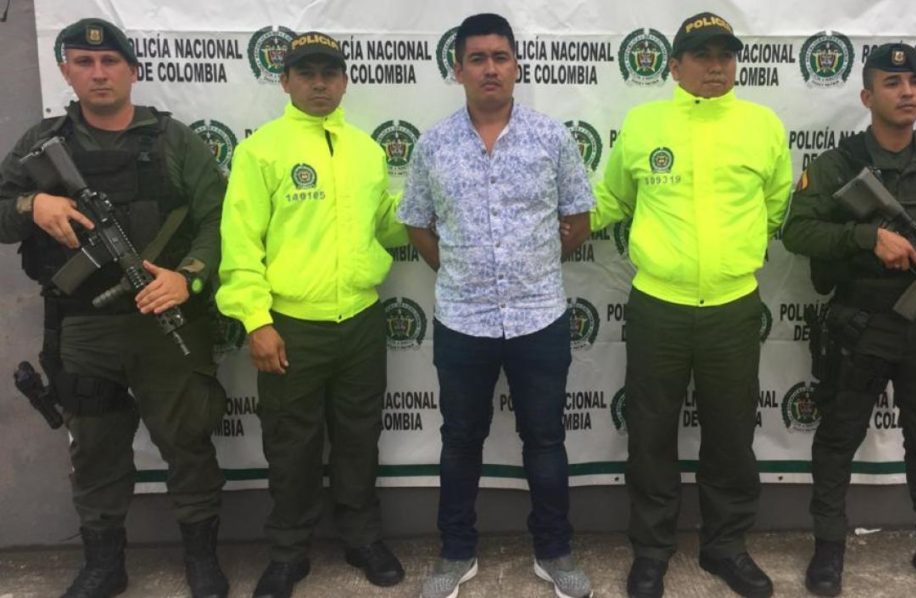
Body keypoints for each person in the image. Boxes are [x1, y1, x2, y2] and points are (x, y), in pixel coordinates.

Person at [0, 17, 229, 598]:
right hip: (82, 329)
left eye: (110, 62)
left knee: (188, 445)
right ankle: (104, 565)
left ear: (132, 70)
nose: (98, 73)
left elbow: (220, 219)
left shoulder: (173, 140)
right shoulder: (41, 142)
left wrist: (188, 277)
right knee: (96, 451)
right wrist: (33, 205)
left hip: (165, 325)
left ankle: (202, 559)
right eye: (84, 62)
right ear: (66, 72)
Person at [781, 43, 916, 597]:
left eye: (915, 83)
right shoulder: (840, 164)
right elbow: (797, 231)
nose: (907, 93)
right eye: (892, 83)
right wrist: (867, 237)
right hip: (863, 322)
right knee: (838, 439)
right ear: (867, 96)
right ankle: (829, 546)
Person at [591, 12, 792, 598]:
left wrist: (735, 254)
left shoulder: (762, 126)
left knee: (731, 432)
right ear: (674, 66)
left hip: (732, 306)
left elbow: (776, 206)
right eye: (701, 55)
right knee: (651, 432)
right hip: (659, 305)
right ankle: (652, 551)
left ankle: (725, 546)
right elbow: (611, 199)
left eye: (725, 55)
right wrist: (549, 223)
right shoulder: (643, 124)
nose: (715, 66)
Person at [397, 13, 594, 598]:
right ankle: (456, 553)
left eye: (500, 57)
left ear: (516, 66)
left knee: (546, 440)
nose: (490, 68)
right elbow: (417, 224)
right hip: (463, 320)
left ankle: (554, 551)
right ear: (457, 69)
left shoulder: (551, 137)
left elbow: (578, 219)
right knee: (460, 441)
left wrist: (533, 267)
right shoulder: (433, 145)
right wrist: (461, 271)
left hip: (539, 316)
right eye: (477, 58)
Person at [215, 31, 407, 598]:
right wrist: (256, 320)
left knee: (359, 437)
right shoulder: (261, 151)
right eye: (306, 73)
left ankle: (362, 538)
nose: (319, 84)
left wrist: (432, 207)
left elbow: (385, 227)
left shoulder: (366, 150)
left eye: (329, 73)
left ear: (345, 81)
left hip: (361, 320)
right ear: (285, 81)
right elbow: (240, 245)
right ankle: (287, 552)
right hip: (292, 325)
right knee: (291, 444)